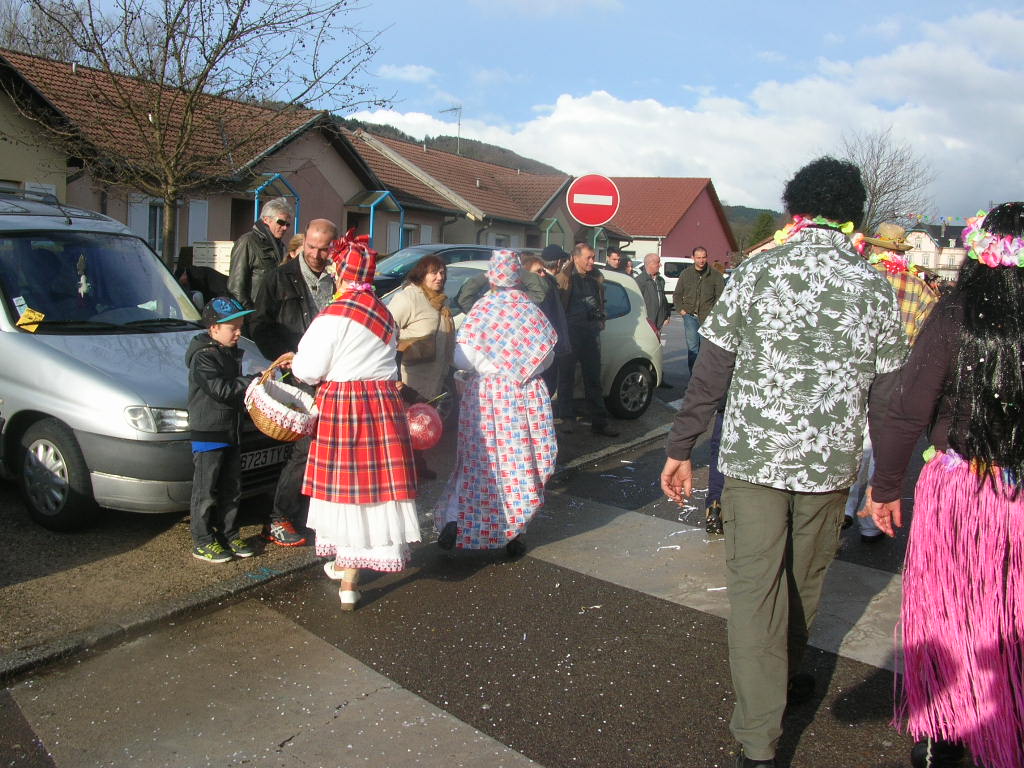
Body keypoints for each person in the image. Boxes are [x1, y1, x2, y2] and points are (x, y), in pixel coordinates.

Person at [660, 157, 908, 768]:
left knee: (754, 591)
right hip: (828, 468)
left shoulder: (755, 272)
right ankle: (790, 677)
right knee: (805, 579)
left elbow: (711, 370)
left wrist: (681, 447)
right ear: (852, 215)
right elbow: (891, 400)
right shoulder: (873, 284)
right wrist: (887, 482)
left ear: (796, 207)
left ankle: (757, 740)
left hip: (752, 461)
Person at [866, 202, 1024, 768]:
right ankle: (1004, 721)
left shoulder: (956, 312)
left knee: (950, 609)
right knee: (1009, 615)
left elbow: (909, 409)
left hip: (956, 490)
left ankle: (945, 731)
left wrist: (885, 486)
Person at [280, 231, 420, 611]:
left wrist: (299, 361)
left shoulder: (334, 316)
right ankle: (348, 567)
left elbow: (308, 370)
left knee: (343, 489)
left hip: (344, 406)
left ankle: (348, 578)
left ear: (342, 274)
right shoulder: (385, 314)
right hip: (382, 407)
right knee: (374, 487)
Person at [435, 249, 557, 556]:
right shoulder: (530, 311)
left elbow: (462, 357)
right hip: (525, 396)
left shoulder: (482, 310)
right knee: (522, 462)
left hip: (488, 397)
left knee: (478, 463)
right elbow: (547, 357)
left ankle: (455, 520)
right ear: (517, 276)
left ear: (491, 275)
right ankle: (515, 531)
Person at [844, 222, 937, 544]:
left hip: (853, 374)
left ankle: (842, 507)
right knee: (882, 444)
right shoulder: (920, 289)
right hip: (897, 377)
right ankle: (870, 522)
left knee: (852, 442)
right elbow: (928, 343)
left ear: (876, 248)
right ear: (900, 252)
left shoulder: (856, 280)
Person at [250, 218, 338, 547]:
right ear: (303, 244)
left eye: (323, 248)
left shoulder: (338, 279)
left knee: (326, 448)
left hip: (333, 375)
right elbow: (258, 324)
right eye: (311, 247)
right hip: (297, 373)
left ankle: (309, 514)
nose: (316, 254)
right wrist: (286, 356)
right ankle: (278, 517)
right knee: (304, 449)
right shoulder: (279, 277)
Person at [185, 297, 258, 563]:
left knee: (232, 487)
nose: (239, 332)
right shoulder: (203, 357)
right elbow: (221, 390)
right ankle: (202, 541)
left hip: (231, 431)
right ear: (213, 329)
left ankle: (229, 534)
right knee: (206, 491)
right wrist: (251, 382)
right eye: (232, 328)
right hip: (209, 433)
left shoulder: (228, 352)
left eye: (240, 326)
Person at [388, 255, 456, 481]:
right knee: (408, 427)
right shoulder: (409, 298)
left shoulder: (440, 302)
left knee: (423, 426)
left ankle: (417, 463)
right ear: (422, 274)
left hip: (433, 378)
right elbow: (387, 331)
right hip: (410, 378)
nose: (439, 277)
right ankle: (403, 472)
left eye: (442, 273)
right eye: (433, 272)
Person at [556, 243, 618, 437]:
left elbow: (601, 300)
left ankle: (599, 422)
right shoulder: (564, 277)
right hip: (570, 333)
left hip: (590, 334)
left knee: (593, 379)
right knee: (566, 377)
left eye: (593, 257)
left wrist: (602, 317)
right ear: (576, 258)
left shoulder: (596, 276)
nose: (592, 261)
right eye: (588, 258)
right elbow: (557, 304)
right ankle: (567, 417)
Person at [227, 197, 293, 309]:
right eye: (281, 222)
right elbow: (235, 287)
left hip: (273, 313)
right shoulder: (247, 242)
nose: (284, 227)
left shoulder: (280, 247)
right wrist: (250, 315)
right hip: (255, 314)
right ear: (266, 220)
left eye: (288, 224)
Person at [522, 250, 571, 395]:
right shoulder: (522, 296)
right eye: (539, 271)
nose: (543, 274)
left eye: (543, 270)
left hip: (549, 349)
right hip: (534, 352)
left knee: (547, 388)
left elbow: (556, 318)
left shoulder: (549, 286)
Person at [672, 246, 725, 377]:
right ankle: (694, 378)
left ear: (707, 257)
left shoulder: (715, 275)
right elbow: (677, 294)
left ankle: (704, 378)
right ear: (693, 258)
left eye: (703, 257)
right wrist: (681, 310)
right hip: (690, 316)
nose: (701, 260)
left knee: (705, 350)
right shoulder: (686, 274)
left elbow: (721, 298)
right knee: (693, 349)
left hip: (708, 318)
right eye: (698, 258)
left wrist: (714, 314)